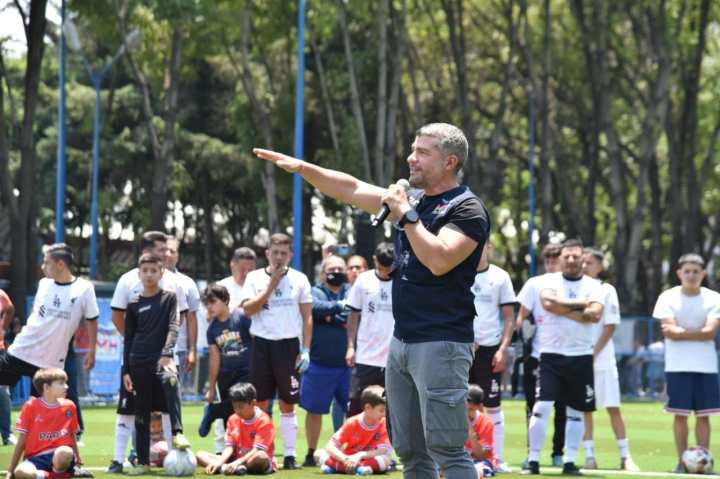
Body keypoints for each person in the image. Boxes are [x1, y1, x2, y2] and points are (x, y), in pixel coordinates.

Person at [254, 122, 490, 479]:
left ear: (450, 161)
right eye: (412, 149)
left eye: (422, 152)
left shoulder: (467, 208)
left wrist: (406, 215)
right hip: (403, 341)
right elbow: (351, 188)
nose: (411, 158)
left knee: (447, 450)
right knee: (410, 451)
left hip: (442, 342)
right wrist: (303, 168)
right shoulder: (412, 201)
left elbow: (439, 260)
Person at [517, 239, 604, 475]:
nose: (571, 260)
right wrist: (582, 305)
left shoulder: (595, 285)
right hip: (550, 355)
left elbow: (595, 314)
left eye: (576, 256)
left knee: (575, 412)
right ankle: (533, 460)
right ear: (562, 258)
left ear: (583, 258)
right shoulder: (548, 281)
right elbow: (548, 304)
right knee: (542, 407)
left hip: (581, 355)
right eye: (567, 256)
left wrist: (562, 307)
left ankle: (569, 461)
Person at [107, 231, 189, 473]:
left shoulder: (170, 298)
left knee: (171, 382)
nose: (149, 274)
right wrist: (126, 370)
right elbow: (128, 339)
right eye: (145, 271)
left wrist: (166, 353)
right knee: (140, 411)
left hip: (162, 359)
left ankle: (178, 433)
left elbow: (174, 326)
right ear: (139, 274)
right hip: (137, 362)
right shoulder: (133, 304)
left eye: (154, 270)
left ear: (161, 272)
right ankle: (142, 462)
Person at [239, 233, 313, 470]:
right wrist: (271, 285)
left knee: (287, 403)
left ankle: (290, 455)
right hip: (261, 344)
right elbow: (248, 310)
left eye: (283, 253)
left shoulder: (300, 279)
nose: (279, 257)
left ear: (290, 255)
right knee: (260, 403)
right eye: (275, 252)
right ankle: (265, 453)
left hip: (289, 346)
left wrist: (306, 349)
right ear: (267, 253)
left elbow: (307, 316)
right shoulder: (254, 278)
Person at [652, 253, 720, 474]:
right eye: (687, 271)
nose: (691, 275)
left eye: (695, 271)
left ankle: (703, 463)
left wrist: (680, 332)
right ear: (679, 273)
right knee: (679, 415)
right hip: (677, 365)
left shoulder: (714, 298)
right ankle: (681, 463)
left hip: (705, 366)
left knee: (703, 416)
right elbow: (668, 331)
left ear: (703, 274)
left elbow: (709, 333)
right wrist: (695, 332)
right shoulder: (667, 297)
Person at [0, 244, 98, 394]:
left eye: (46, 263)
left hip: (51, 362)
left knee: (47, 404)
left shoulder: (84, 288)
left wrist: (92, 351)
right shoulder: (44, 283)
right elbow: (36, 312)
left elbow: (92, 320)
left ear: (60, 264)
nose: (42, 267)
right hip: (22, 350)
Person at [581, 248, 639, 472]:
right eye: (583, 261)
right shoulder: (572, 287)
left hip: (603, 360)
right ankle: (589, 456)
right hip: (578, 359)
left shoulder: (606, 289)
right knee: (585, 408)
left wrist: (593, 354)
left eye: (590, 262)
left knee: (613, 407)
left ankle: (625, 457)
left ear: (600, 266)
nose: (584, 265)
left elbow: (610, 325)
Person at [515, 243, 567, 468]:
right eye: (548, 260)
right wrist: (523, 344)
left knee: (562, 407)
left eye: (555, 259)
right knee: (532, 407)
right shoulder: (534, 283)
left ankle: (558, 453)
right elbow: (521, 317)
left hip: (566, 355)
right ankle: (532, 454)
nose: (552, 264)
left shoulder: (572, 284)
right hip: (537, 356)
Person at [468, 243, 516, 472]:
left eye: (482, 245)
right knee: (456, 403)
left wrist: (503, 349)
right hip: (462, 348)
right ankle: (456, 456)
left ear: (488, 247)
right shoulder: (458, 271)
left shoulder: (500, 277)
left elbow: (509, 317)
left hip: (490, 349)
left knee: (493, 405)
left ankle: (497, 457)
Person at [301, 255, 351, 467]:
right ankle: (311, 453)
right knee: (314, 410)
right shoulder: (315, 291)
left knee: (352, 410)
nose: (336, 272)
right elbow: (315, 308)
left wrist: (329, 316)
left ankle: (349, 452)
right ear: (322, 273)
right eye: (332, 268)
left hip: (348, 364)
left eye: (340, 268)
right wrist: (338, 308)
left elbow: (351, 314)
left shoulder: (351, 291)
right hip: (319, 362)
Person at [345, 242, 395, 417]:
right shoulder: (363, 280)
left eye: (389, 269)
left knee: (391, 412)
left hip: (393, 360)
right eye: (381, 268)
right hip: (366, 357)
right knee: (355, 407)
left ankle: (386, 437)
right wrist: (351, 346)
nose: (385, 273)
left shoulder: (402, 281)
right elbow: (353, 315)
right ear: (374, 260)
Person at [6, 368, 83, 479]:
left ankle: (59, 472)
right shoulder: (30, 406)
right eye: (61, 383)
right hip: (35, 458)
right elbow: (22, 440)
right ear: (46, 387)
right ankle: (57, 476)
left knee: (65, 452)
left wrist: (78, 460)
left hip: (60, 454)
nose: (66, 386)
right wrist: (11, 470)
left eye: (65, 383)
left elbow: (72, 434)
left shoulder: (69, 406)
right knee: (21, 472)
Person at [198, 284, 252, 436]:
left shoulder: (241, 317)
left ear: (225, 300)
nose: (209, 306)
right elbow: (214, 359)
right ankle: (232, 447)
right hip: (226, 374)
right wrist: (211, 387)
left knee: (242, 402)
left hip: (246, 371)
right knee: (231, 419)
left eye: (213, 302)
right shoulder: (212, 329)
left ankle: (213, 411)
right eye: (206, 303)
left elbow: (256, 340)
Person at [196, 382, 277, 475]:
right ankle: (233, 469)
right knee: (200, 455)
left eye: (241, 407)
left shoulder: (264, 421)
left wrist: (237, 463)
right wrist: (219, 462)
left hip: (253, 459)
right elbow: (229, 447)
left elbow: (257, 450)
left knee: (260, 457)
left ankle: (232, 468)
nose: (238, 410)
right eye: (235, 407)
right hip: (236, 460)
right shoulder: (232, 419)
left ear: (253, 403)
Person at [314, 385, 392, 475]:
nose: (384, 414)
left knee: (386, 460)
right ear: (368, 408)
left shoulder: (384, 424)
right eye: (381, 410)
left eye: (386, 410)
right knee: (318, 453)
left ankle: (336, 467)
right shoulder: (352, 423)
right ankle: (359, 469)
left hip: (367, 458)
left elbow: (382, 450)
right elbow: (330, 446)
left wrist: (360, 455)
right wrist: (345, 459)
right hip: (348, 458)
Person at [165, 237, 200, 392]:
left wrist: (192, 350)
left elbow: (192, 318)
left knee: (172, 397)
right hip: (149, 348)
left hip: (178, 349)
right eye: (164, 250)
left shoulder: (187, 283)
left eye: (172, 251)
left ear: (178, 255)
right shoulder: (144, 279)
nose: (167, 254)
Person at [465, 384, 497, 479]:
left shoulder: (486, 423)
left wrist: (469, 427)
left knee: (481, 468)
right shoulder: (454, 419)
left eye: (470, 409)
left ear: (479, 406)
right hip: (461, 459)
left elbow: (481, 456)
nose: (466, 412)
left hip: (480, 461)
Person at [0, 288, 15, 446]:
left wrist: (3, 328)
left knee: (2, 391)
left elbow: (9, 309)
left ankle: (7, 434)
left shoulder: (1, 294)